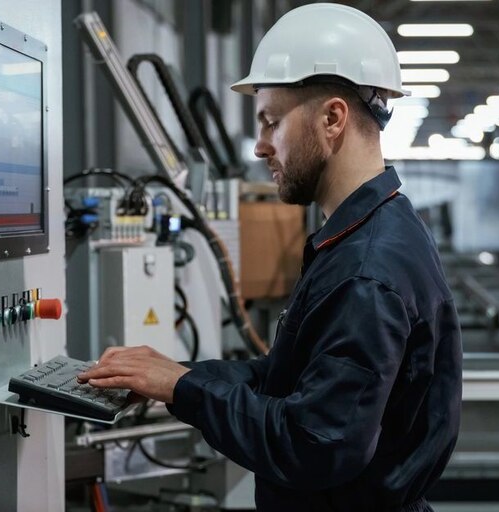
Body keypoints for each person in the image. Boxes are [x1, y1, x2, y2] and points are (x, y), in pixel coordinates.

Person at [77, 3, 463, 511]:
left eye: (271, 122)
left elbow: (313, 443)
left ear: (332, 118)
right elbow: (289, 380)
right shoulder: (367, 232)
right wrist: (175, 378)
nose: (260, 147)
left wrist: (185, 389)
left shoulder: (366, 272)